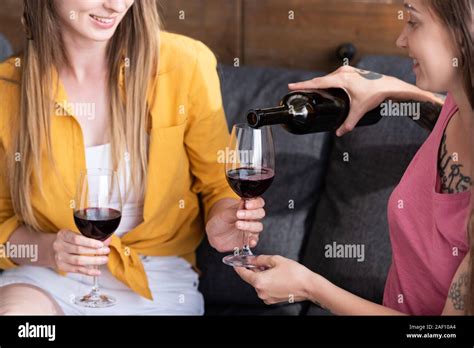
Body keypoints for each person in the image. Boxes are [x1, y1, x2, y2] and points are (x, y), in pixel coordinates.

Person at [0, 0, 266, 315]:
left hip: (157, 283)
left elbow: (217, 184)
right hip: (47, 279)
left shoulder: (185, 65)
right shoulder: (7, 90)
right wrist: (51, 250)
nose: (115, 5)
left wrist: (224, 217)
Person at [236, 0, 474, 315]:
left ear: (464, 30)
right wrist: (389, 89)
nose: (401, 40)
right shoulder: (457, 107)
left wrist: (309, 287)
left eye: (413, 22)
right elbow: (443, 110)